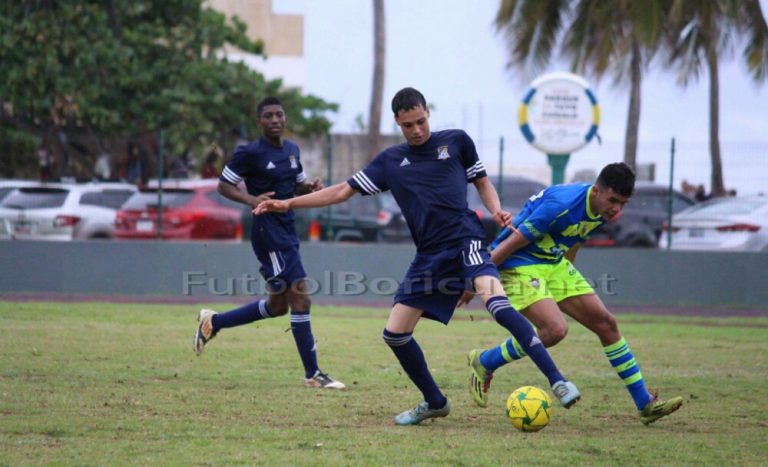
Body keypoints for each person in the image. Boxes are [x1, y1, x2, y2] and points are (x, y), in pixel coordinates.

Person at [256, 87, 578, 425]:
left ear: (428, 112)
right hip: (429, 255)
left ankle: (557, 380)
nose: (417, 130)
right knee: (395, 333)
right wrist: (288, 202)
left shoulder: (456, 142)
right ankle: (435, 401)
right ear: (398, 123)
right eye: (408, 125)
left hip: (464, 237)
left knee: (495, 300)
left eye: (421, 121)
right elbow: (341, 191)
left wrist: (496, 210)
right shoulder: (390, 162)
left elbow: (481, 182)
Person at [459, 163, 683, 425]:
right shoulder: (561, 206)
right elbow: (511, 242)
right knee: (554, 330)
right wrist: (473, 282)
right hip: (518, 263)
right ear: (596, 191)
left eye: (622, 203)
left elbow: (575, 239)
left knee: (607, 325)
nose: (616, 209)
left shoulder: (601, 209)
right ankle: (486, 360)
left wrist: (566, 280)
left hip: (554, 265)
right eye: (613, 201)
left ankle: (644, 404)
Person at [193, 96, 345, 391]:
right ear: (259, 122)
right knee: (301, 297)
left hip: (287, 229)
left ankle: (213, 322)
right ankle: (313, 374)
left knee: (278, 307)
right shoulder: (250, 153)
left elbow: (295, 185)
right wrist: (251, 198)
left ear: (285, 119)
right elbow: (223, 185)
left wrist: (310, 187)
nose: (275, 120)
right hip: (268, 232)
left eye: (279, 115)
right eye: (268, 116)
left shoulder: (291, 150)